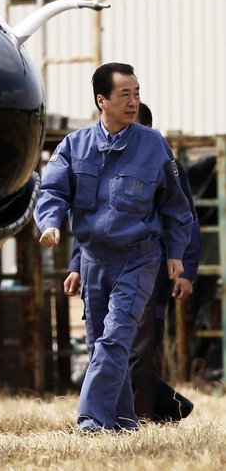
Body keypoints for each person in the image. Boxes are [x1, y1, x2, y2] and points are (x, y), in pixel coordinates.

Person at [36, 63, 194, 432]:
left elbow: (176, 206)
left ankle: (91, 420)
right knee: (101, 346)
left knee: (115, 337)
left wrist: (176, 254)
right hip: (93, 261)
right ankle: (123, 424)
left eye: (137, 93)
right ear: (101, 100)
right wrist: (50, 224)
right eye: (126, 94)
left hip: (139, 257)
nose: (134, 101)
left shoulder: (153, 144)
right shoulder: (74, 146)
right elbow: (53, 192)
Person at [63, 102, 200, 422]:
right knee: (111, 344)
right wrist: (75, 265)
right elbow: (90, 221)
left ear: (147, 131)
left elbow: (185, 217)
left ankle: (132, 415)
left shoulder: (162, 160)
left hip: (151, 265)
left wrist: (186, 270)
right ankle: (131, 417)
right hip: (102, 265)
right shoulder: (99, 158)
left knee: (136, 348)